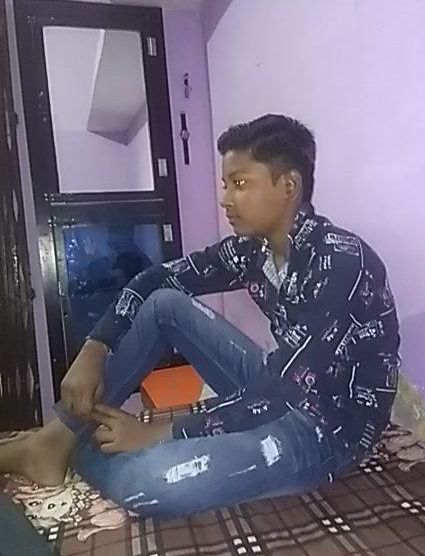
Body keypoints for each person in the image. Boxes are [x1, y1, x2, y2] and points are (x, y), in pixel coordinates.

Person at [0, 115, 400, 518]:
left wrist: (161, 434)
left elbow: (287, 389)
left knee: (151, 481)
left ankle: (71, 449)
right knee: (165, 304)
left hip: (327, 429)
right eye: (226, 184)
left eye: (239, 184)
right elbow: (155, 279)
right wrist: (96, 346)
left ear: (288, 186)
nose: (225, 199)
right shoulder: (254, 250)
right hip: (278, 387)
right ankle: (56, 438)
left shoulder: (340, 262)